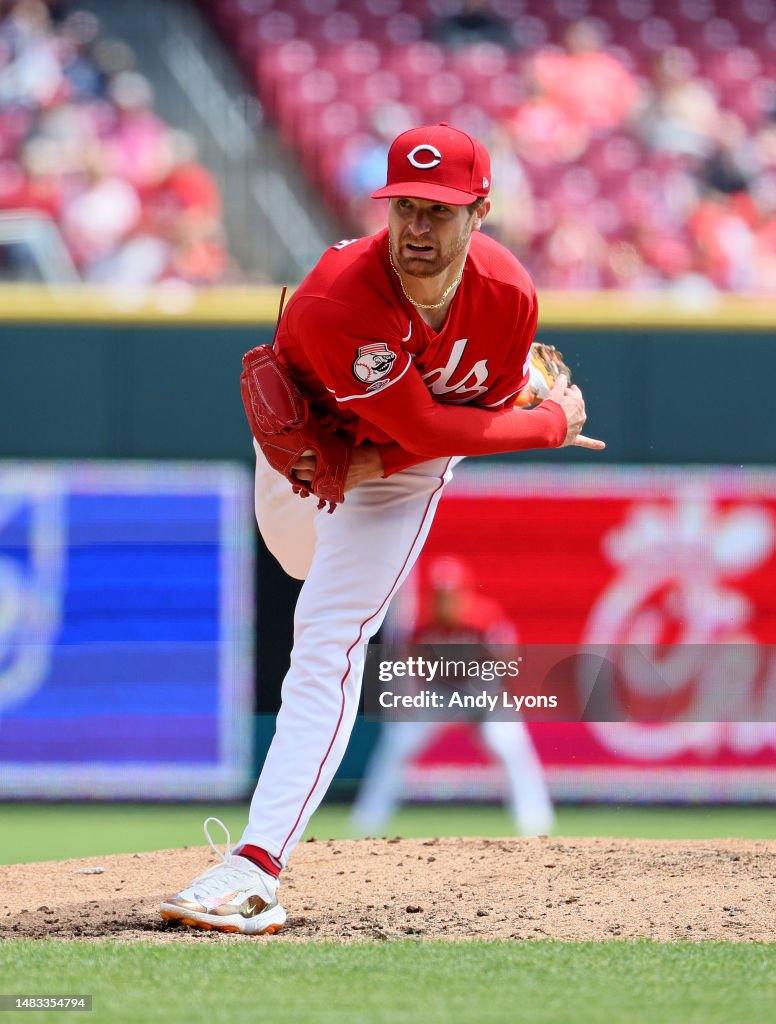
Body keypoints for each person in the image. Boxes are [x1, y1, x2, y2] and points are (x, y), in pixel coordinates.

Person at [160, 122, 604, 935]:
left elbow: (448, 435)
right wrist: (547, 423)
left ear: (480, 213)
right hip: (305, 462)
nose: (417, 227)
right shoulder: (340, 295)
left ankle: (253, 869)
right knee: (296, 560)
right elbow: (430, 424)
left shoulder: (509, 295)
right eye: (405, 206)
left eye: (440, 210)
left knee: (327, 640)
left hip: (398, 475)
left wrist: (382, 463)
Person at [351, 554, 555, 837]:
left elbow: (508, 660)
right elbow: (410, 668)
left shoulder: (484, 619)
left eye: (451, 594)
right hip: (441, 693)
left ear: (463, 593)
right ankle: (368, 820)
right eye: (440, 595)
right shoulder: (424, 626)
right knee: (398, 742)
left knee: (511, 746)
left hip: (483, 691)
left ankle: (535, 822)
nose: (446, 601)